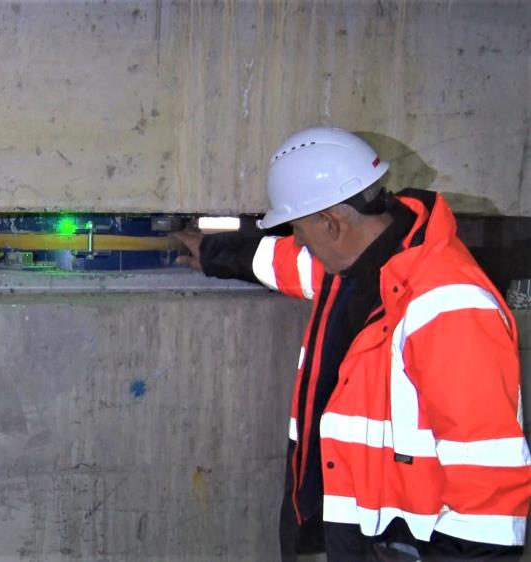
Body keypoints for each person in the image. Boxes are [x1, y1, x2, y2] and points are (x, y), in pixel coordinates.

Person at [173, 127, 531, 561]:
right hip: (355, 532)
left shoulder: (448, 306)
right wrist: (213, 252)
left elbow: (488, 490)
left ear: (331, 223)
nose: (298, 242)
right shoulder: (359, 263)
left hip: (405, 544)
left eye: (299, 229)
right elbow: (284, 262)